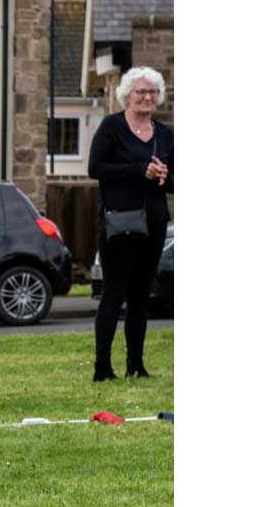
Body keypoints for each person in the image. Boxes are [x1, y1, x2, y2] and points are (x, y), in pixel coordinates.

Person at [87, 66, 173, 381]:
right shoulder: (111, 127)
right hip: (117, 222)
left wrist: (164, 178)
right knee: (114, 292)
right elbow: (95, 168)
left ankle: (136, 365)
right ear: (128, 95)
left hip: (153, 222)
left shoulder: (165, 134)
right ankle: (103, 367)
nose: (147, 97)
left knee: (141, 295)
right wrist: (139, 171)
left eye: (152, 92)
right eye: (141, 92)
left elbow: (176, 180)